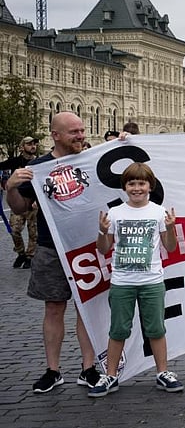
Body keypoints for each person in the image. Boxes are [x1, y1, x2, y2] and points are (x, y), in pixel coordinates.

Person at [5, 113, 101, 393]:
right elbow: (21, 207)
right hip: (51, 247)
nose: (81, 135)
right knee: (54, 308)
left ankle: (88, 368)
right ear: (56, 135)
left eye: (82, 130)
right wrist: (10, 187)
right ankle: (53, 370)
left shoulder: (91, 160)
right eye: (74, 132)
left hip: (87, 246)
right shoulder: (37, 168)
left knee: (87, 308)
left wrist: (122, 143)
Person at [89, 162, 182, 397]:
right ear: (125, 187)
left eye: (141, 183)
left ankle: (163, 372)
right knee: (118, 329)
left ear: (150, 186)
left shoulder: (159, 212)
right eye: (132, 183)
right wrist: (101, 231)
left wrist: (171, 229)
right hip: (122, 282)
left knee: (156, 328)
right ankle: (111, 375)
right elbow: (103, 249)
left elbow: (170, 247)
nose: (137, 188)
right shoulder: (115, 213)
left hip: (151, 280)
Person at [0, 136, 39, 268]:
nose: (33, 146)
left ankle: (30, 256)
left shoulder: (39, 163)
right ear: (22, 147)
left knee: (33, 232)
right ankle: (20, 253)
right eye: (29, 144)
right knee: (14, 230)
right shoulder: (15, 161)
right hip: (17, 202)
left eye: (34, 144)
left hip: (33, 203)